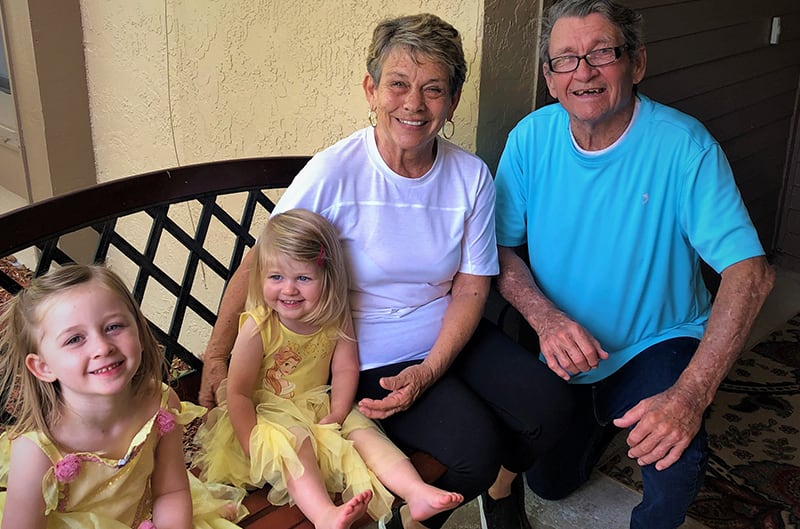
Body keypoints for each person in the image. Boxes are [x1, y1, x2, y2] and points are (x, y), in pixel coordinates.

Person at [198, 13, 574, 529]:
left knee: (551, 409)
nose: (414, 104)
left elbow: (470, 286)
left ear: (453, 101)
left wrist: (431, 368)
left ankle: (502, 489)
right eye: (398, 84)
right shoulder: (336, 171)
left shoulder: (470, 177)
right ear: (372, 89)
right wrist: (217, 353)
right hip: (365, 354)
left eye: (433, 89)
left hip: (448, 335)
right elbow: (263, 257)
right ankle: (411, 520)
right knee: (472, 450)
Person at [492, 0, 776, 528]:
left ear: (636, 64)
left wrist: (691, 393)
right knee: (549, 485)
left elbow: (751, 273)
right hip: (567, 344)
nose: (584, 72)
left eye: (603, 53)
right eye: (566, 59)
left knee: (675, 459)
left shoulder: (684, 146)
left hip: (658, 340)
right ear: (550, 79)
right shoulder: (530, 138)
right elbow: (501, 250)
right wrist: (545, 320)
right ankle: (601, 415)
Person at [192, 209, 464, 529]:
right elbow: (237, 392)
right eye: (276, 277)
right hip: (260, 418)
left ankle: (415, 492)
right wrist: (250, 440)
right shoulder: (259, 326)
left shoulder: (334, 315)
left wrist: (338, 411)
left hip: (317, 404)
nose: (289, 289)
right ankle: (324, 515)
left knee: (364, 430)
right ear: (261, 276)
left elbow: (346, 367)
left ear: (328, 277)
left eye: (303, 278)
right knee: (295, 439)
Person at [0, 264, 247, 529]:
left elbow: (171, 491)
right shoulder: (39, 450)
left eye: (113, 326)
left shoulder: (159, 404)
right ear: (43, 367)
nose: (102, 347)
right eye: (74, 340)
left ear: (140, 334)